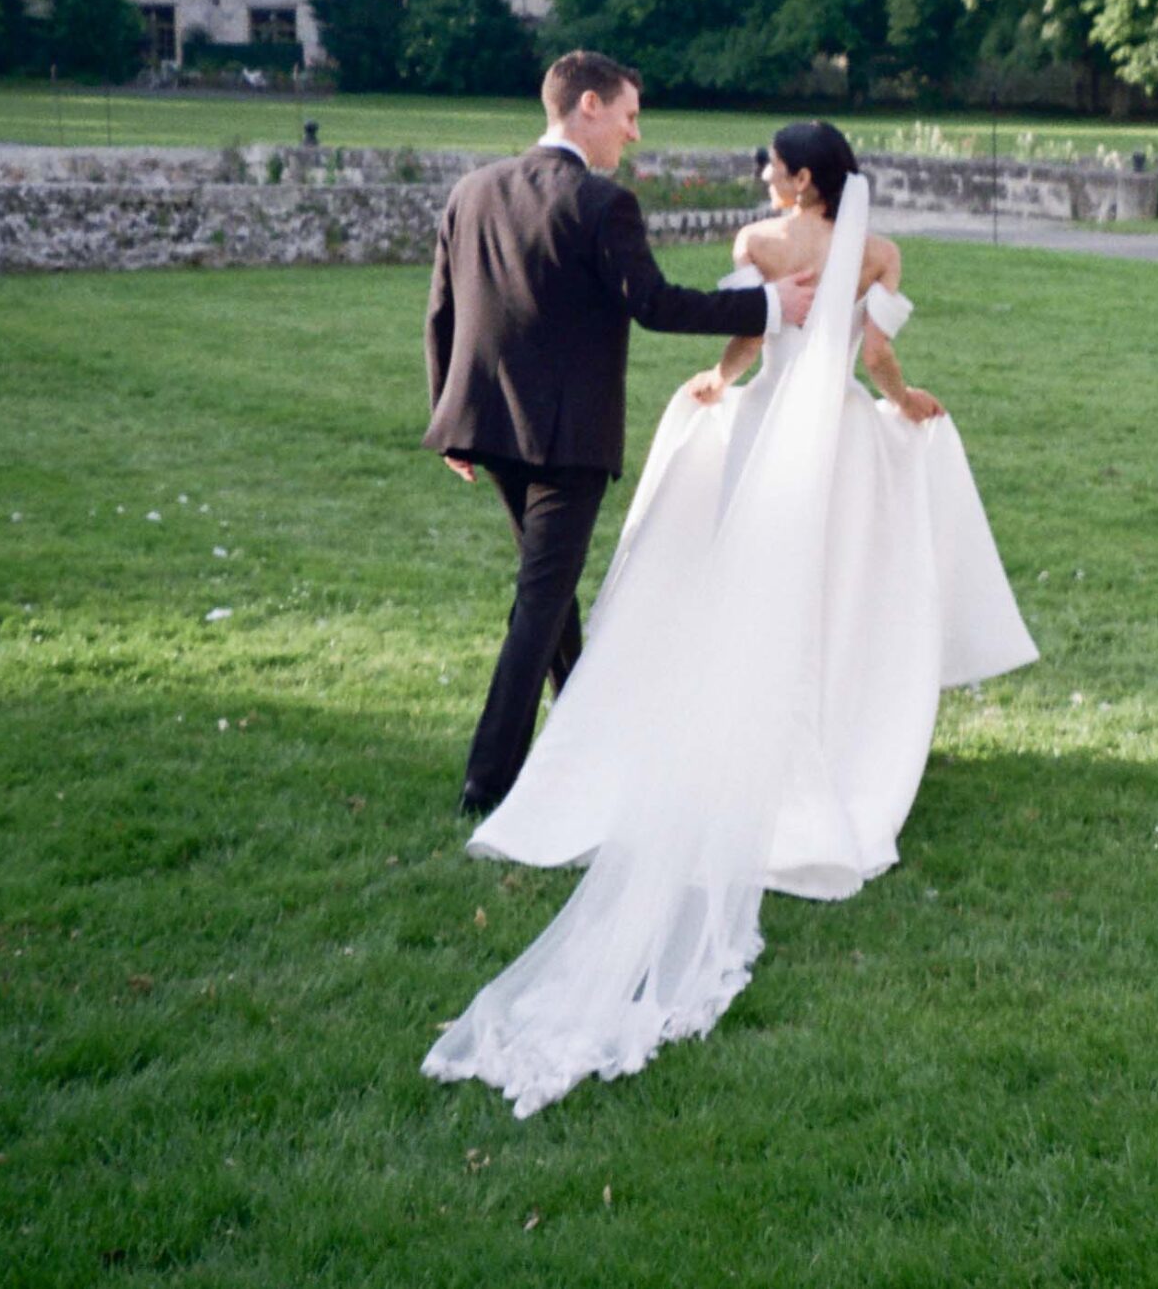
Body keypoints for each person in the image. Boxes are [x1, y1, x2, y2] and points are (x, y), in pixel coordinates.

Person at [425, 121, 1037, 1118]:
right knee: (831, 591)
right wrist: (904, 397)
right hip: (835, 435)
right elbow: (871, 351)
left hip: (768, 436)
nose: (762, 177)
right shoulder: (877, 252)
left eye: (770, 166)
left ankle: (732, 720)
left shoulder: (760, 244)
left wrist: (723, 378)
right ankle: (833, 732)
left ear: (796, 180)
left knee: (740, 578)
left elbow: (751, 336)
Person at [423, 50, 818, 817]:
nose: (633, 136)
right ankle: (488, 782)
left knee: (550, 590)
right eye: (630, 116)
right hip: (567, 439)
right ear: (590, 106)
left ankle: (581, 725)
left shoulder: (472, 190)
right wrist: (769, 309)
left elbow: (441, 308)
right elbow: (657, 303)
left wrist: (451, 422)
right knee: (540, 602)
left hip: (487, 424)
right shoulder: (602, 204)